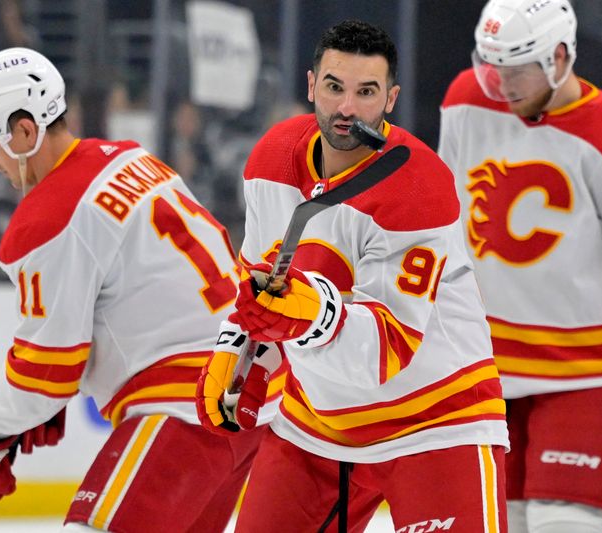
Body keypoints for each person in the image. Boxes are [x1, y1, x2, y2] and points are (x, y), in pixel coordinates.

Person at [195, 19, 509, 533]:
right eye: (336, 87)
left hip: (437, 420)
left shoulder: (419, 186)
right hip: (316, 426)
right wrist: (238, 349)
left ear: (390, 99)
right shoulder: (271, 160)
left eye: (366, 92)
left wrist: (308, 315)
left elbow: (388, 349)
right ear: (312, 85)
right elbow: (259, 283)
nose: (347, 108)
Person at [0, 47, 273, 532]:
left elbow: (45, 373)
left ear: (24, 131)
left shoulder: (50, 214)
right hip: (249, 400)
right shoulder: (130, 157)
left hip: (185, 407)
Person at [438, 1, 602, 532]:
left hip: (587, 377)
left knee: (563, 525)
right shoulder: (467, 99)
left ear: (559, 57)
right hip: (485, 370)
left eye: (515, 70)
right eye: (491, 67)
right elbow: (445, 228)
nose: (500, 85)